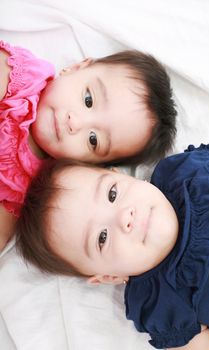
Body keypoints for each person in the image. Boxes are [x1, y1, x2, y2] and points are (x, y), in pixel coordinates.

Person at [16, 142, 209, 350]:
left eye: (112, 194)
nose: (123, 218)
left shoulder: (189, 171)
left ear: (121, 175)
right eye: (102, 238)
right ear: (109, 277)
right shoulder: (162, 305)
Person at [0, 40, 177, 250]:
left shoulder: (28, 187)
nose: (75, 123)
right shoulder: (23, 78)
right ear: (77, 68)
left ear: (87, 164)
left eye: (93, 140)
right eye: (88, 99)